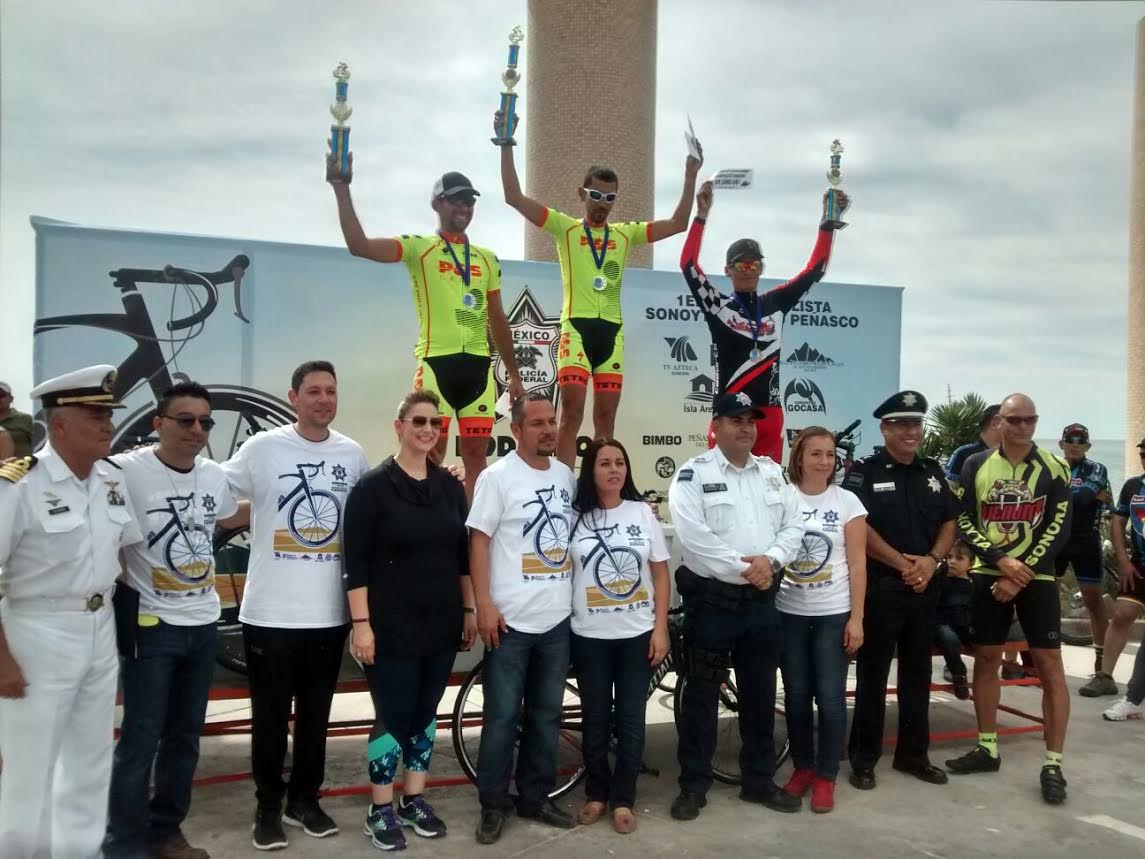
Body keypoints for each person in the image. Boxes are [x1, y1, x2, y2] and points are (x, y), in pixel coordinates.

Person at [496, 109, 703, 467]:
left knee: (605, 420)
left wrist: (690, 175)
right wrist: (506, 142)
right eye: (597, 195)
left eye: (611, 198)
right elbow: (514, 196)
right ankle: (562, 484)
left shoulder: (624, 234)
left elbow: (678, 223)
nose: (603, 204)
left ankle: (599, 490)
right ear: (582, 193)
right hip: (575, 329)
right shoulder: (566, 229)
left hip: (612, 334)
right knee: (571, 415)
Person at [221, 360, 370, 850]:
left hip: (326, 615)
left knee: (316, 716)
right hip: (270, 615)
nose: (323, 399)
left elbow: (372, 516)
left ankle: (304, 799)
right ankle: (267, 807)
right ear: (293, 397)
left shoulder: (352, 455)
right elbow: (216, 495)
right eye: (313, 391)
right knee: (268, 719)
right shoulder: (261, 449)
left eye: (331, 391)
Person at [0, 365, 144, 857]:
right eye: (93, 415)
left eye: (107, 414)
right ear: (58, 425)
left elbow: (122, 557)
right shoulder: (18, 485)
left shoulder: (111, 480)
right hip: (37, 632)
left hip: (98, 630)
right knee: (27, 767)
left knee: (89, 760)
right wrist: (2, 659)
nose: (107, 425)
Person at [328, 158, 524, 500]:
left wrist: (514, 374)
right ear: (438, 203)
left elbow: (498, 318)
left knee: (477, 457)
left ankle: (469, 528)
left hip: (478, 368)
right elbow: (360, 245)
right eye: (456, 199)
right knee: (430, 453)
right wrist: (341, 188)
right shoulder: (420, 248)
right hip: (436, 363)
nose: (464, 207)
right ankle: (426, 517)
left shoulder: (486, 258)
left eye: (470, 201)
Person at [104, 382, 242, 859]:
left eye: (206, 421)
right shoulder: (125, 471)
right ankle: (123, 844)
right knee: (140, 740)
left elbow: (226, 518)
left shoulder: (213, 475)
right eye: (185, 420)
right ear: (157, 423)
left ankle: (166, 832)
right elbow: (110, 542)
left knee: (184, 739)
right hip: (152, 627)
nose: (198, 430)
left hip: (203, 626)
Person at [342, 390, 475, 851]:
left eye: (435, 423)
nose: (427, 429)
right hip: (390, 626)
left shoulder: (449, 487)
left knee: (424, 715)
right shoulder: (371, 488)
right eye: (418, 421)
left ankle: (412, 800)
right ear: (398, 426)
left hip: (440, 624)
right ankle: (379, 809)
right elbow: (355, 564)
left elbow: (462, 558)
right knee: (393, 716)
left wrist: (469, 609)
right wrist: (362, 626)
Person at [667, 392, 805, 821]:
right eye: (735, 419)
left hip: (761, 606)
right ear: (716, 425)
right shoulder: (693, 475)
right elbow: (694, 537)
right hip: (713, 606)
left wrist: (773, 561)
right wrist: (749, 567)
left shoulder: (772, 474)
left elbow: (795, 523)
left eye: (750, 420)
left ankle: (759, 781)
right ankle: (693, 786)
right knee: (701, 700)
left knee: (761, 696)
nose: (746, 427)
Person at [947, 393, 1073, 805]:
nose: (1022, 427)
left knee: (1050, 665)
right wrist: (1000, 561)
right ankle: (987, 747)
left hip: (1035, 577)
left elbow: (1057, 527)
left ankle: (1053, 763)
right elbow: (965, 517)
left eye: (1030, 420)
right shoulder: (976, 464)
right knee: (986, 658)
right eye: (1014, 420)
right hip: (989, 572)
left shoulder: (1054, 467)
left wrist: (1020, 574)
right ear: (999, 422)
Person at [466, 393, 576, 844]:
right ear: (516, 431)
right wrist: (483, 605)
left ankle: (535, 797)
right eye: (537, 423)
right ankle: (493, 804)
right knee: (501, 717)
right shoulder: (497, 478)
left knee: (547, 716)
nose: (548, 429)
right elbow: (478, 542)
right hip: (509, 623)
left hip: (556, 621)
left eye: (552, 421)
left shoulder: (566, 476)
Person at [680, 181, 850, 462]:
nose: (748, 271)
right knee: (724, 489)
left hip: (770, 414)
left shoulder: (776, 303)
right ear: (728, 270)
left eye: (754, 265)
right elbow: (688, 264)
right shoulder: (718, 306)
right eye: (741, 265)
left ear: (761, 269)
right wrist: (700, 216)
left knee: (768, 494)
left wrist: (827, 225)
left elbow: (815, 270)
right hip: (729, 412)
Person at [843, 390, 958, 792]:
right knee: (873, 677)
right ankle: (864, 758)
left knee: (918, 674)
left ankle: (913, 755)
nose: (911, 432)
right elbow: (857, 528)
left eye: (916, 424)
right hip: (882, 589)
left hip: (924, 588)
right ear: (885, 428)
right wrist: (902, 563)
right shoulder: (865, 472)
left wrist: (931, 561)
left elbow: (949, 521)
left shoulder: (931, 471)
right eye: (902, 424)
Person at [570, 438, 671, 835]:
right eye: (604, 463)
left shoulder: (641, 513)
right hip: (589, 634)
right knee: (595, 718)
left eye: (620, 463)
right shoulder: (575, 517)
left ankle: (624, 798)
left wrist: (659, 627)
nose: (614, 470)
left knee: (631, 718)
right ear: (591, 472)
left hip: (636, 634)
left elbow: (660, 573)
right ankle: (597, 793)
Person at [777, 427, 867, 814]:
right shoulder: (781, 499)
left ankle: (827, 775)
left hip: (834, 613)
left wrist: (857, 618)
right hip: (788, 613)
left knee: (830, 699)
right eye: (816, 454)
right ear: (799, 457)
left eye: (830, 454)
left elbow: (859, 562)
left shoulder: (847, 502)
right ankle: (803, 768)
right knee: (796, 697)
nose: (824, 462)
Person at [1053, 423, 1115, 692]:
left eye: (1080, 440)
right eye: (1070, 439)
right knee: (1044, 598)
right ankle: (1033, 661)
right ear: (1061, 444)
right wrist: (1080, 496)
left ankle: (1101, 669)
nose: (1075, 444)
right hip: (1055, 539)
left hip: (1085, 540)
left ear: (1088, 446)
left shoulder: (1096, 468)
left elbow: (1083, 496)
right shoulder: (1052, 465)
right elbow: (1052, 498)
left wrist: (1067, 495)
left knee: (1093, 602)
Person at [1099, 437, 1145, 720]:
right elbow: (1118, 521)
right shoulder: (1133, 486)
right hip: (1139, 566)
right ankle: (1105, 675)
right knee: (1122, 613)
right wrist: (1123, 559)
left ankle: (1134, 698)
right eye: (1142, 453)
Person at [934, 541, 976, 701]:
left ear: (970, 564)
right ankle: (959, 675)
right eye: (949, 557)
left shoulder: (974, 583)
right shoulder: (940, 579)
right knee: (948, 638)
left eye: (959, 558)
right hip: (942, 624)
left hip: (964, 624)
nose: (952, 561)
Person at [944, 404, 1001, 486]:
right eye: (1012, 421)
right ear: (995, 423)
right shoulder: (963, 453)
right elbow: (949, 489)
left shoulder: (1015, 455)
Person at [0, 381, 34, 459]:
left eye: (1, 395)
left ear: (11, 399)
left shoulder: (25, 419)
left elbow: (39, 445)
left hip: (22, 468)